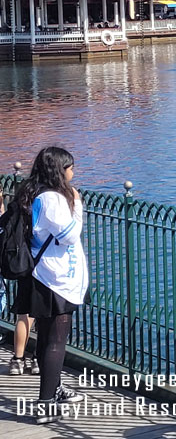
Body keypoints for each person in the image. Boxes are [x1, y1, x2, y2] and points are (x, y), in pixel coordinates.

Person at [11, 147, 88, 423]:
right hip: (54, 279)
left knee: (45, 338)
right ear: (59, 170)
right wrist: (77, 204)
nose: (73, 172)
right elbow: (69, 236)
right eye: (70, 167)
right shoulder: (54, 199)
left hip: (40, 276)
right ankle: (46, 403)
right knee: (56, 340)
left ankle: (53, 387)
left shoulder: (30, 192)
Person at [1, 181, 41, 376]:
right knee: (45, 314)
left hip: (21, 264)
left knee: (24, 313)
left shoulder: (15, 210)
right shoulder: (41, 212)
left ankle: (17, 359)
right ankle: (38, 358)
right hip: (41, 264)